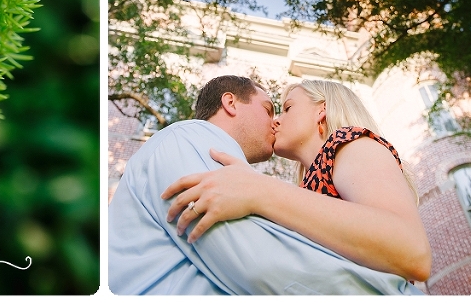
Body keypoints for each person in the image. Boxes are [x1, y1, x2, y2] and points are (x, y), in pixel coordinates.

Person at [108, 75, 424, 295]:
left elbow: (411, 253)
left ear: (321, 110)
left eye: (285, 109)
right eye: (270, 109)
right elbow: (263, 265)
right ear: (230, 103)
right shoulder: (192, 139)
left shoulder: (349, 143)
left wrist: (260, 189)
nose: (275, 121)